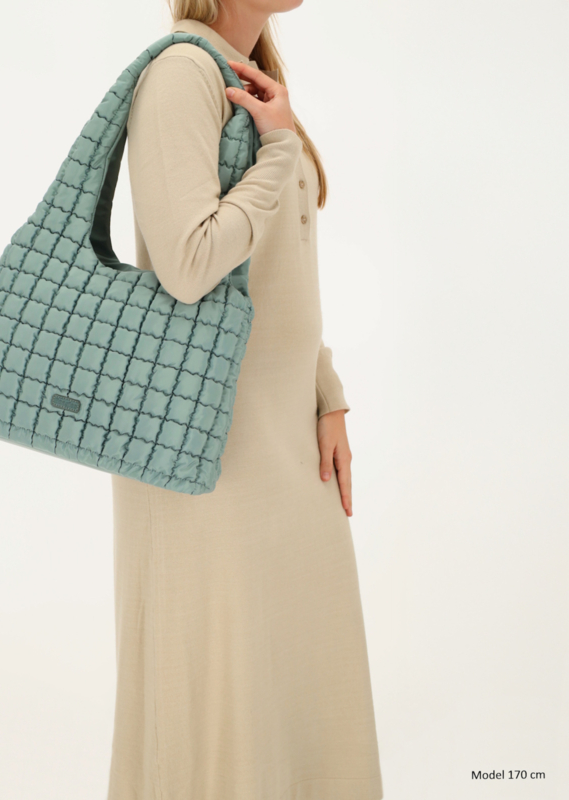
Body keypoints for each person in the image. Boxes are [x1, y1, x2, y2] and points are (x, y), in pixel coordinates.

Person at [107, 2, 383, 798]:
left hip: (282, 432)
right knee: (225, 679)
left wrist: (326, 392)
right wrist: (280, 149)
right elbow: (191, 263)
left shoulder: (247, 74)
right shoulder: (181, 75)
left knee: (298, 672)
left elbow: (278, 269)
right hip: (209, 444)